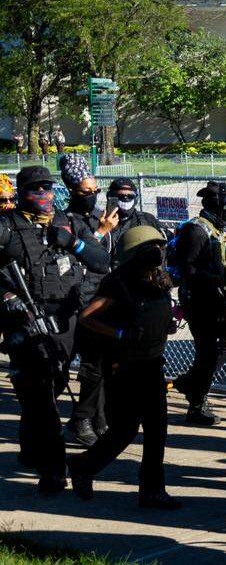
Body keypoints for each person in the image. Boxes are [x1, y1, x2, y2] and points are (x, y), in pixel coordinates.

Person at [0, 165, 110, 493]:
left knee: (54, 387)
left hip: (67, 321)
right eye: (35, 189)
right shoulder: (6, 227)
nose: (43, 195)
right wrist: (6, 296)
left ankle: (31, 447)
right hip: (25, 324)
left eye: (48, 188)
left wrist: (72, 243)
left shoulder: (69, 222)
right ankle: (54, 470)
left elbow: (101, 261)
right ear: (21, 192)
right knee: (40, 397)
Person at [66, 225, 180, 509]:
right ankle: (83, 466)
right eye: (149, 249)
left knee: (157, 430)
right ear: (134, 254)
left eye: (159, 247)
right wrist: (120, 332)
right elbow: (87, 317)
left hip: (153, 363)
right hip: (126, 367)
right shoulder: (119, 282)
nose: (157, 253)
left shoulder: (157, 278)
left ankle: (152, 490)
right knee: (125, 430)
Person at [170, 181, 226, 425]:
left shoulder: (213, 229)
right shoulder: (197, 230)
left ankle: (190, 383)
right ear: (217, 205)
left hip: (215, 300)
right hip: (200, 303)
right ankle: (196, 404)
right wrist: (219, 276)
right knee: (207, 354)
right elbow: (187, 268)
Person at [58, 154, 118, 447]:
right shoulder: (65, 221)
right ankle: (81, 420)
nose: (92, 197)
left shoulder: (97, 217)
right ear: (71, 190)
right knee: (90, 367)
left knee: (105, 364)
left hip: (103, 297)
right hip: (78, 300)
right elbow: (73, 259)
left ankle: (99, 418)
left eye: (95, 191)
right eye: (86, 192)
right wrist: (100, 233)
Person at [102, 178, 163, 258]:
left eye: (130, 196)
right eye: (121, 196)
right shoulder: (99, 221)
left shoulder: (147, 219)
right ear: (111, 197)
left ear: (136, 198)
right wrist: (103, 230)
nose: (125, 199)